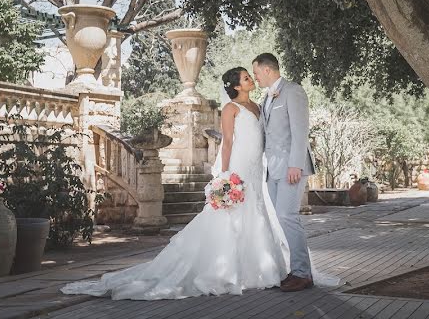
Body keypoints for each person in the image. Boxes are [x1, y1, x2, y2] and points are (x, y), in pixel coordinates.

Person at [60, 67, 289, 300]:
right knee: (232, 213)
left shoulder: (258, 107)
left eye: (250, 77)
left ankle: (260, 267)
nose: (251, 79)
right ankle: (229, 269)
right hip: (238, 166)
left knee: (256, 210)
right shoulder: (231, 109)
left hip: (256, 167)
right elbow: (227, 142)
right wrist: (225, 174)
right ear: (237, 86)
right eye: (246, 78)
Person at [252, 52, 317, 292]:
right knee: (281, 219)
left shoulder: (293, 91)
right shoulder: (266, 98)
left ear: (267, 70)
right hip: (273, 169)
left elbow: (300, 132)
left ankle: (303, 274)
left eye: (257, 73)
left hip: (291, 167)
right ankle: (295, 270)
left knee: (288, 216)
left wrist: (295, 165)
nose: (256, 77)